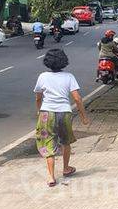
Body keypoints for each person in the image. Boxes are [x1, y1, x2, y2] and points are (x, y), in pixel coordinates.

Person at [34, 49, 91, 187]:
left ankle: (51, 177)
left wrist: (39, 111)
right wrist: (83, 116)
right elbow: (77, 98)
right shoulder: (69, 77)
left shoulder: (42, 76)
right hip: (64, 112)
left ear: (47, 62)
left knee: (48, 143)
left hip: (46, 113)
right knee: (66, 142)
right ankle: (66, 168)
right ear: (63, 61)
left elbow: (38, 97)